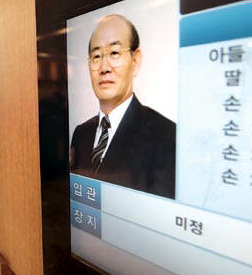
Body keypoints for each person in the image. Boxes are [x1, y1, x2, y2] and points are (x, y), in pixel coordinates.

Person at [69, 14, 176, 199]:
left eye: (114, 53)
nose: (104, 68)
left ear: (135, 61)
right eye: (96, 56)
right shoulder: (81, 133)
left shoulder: (166, 136)